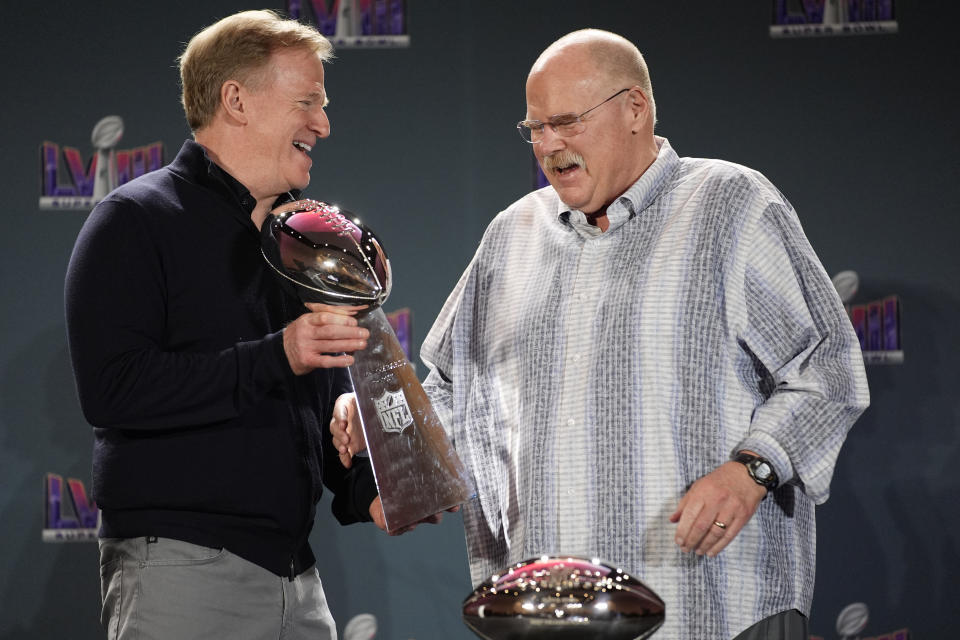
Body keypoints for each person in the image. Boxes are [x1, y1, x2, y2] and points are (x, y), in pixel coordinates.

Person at [333, 28, 870, 640]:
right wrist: (383, 424)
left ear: (635, 108)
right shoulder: (510, 237)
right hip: (549, 615)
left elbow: (827, 367)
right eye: (535, 128)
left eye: (566, 121)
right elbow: (456, 397)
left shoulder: (730, 204)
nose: (549, 144)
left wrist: (754, 469)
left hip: (714, 607)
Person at [65, 10, 385, 640]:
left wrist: (367, 473)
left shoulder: (307, 242)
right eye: (307, 102)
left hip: (299, 579)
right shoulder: (134, 220)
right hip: (182, 569)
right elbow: (113, 390)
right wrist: (280, 354)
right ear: (237, 100)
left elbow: (312, 403)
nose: (323, 124)